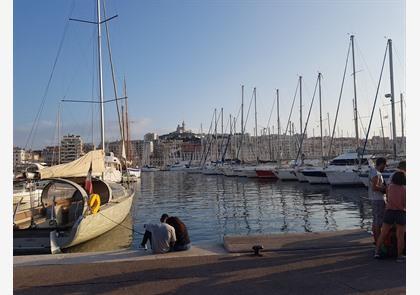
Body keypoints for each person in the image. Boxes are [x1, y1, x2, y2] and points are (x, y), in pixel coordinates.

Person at [374, 171, 406, 261]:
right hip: (401, 212)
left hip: (389, 211)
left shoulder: (390, 187)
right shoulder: (405, 189)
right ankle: (399, 256)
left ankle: (377, 252)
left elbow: (387, 198)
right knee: (400, 236)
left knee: (383, 233)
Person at [368, 157, 387, 244]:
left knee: (375, 220)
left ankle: (376, 240)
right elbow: (374, 187)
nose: (385, 167)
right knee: (378, 222)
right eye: (385, 165)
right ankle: (378, 241)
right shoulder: (376, 173)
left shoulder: (373, 171)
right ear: (382, 164)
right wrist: (384, 189)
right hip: (378, 199)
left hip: (375, 199)